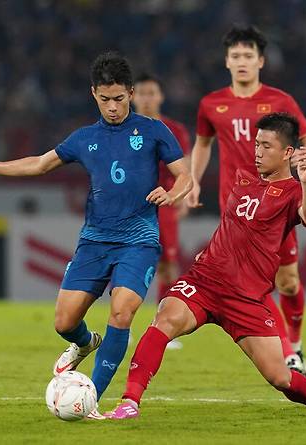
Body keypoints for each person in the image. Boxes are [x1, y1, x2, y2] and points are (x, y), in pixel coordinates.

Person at [0, 52, 192, 418]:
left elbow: (185, 175)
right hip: (94, 240)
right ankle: (85, 342)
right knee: (64, 323)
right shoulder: (84, 138)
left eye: (119, 99)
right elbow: (39, 164)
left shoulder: (154, 131)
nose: (112, 107)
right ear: (94, 93)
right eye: (105, 99)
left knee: (122, 312)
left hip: (139, 239)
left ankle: (93, 399)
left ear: (130, 93)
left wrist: (172, 194)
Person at [105, 113, 306, 419]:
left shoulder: (293, 193)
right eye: (257, 144)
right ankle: (129, 402)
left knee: (280, 377)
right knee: (164, 319)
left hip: (246, 298)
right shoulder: (243, 175)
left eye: (266, 146)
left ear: (287, 153)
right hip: (205, 281)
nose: (257, 152)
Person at [186, 25, 306, 376]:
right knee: (253, 283)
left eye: (249, 55)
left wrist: (298, 165)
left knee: (288, 281)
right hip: (237, 209)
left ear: (261, 61)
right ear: (226, 62)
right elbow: (203, 145)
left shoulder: (281, 102)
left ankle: (294, 345)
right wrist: (193, 181)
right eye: (236, 56)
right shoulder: (211, 105)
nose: (242, 61)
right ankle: (283, 355)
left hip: (277, 205)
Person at [132, 72, 192, 350]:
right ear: (132, 97)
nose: (146, 99)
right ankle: (125, 325)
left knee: (167, 266)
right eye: (141, 93)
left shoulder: (174, 129)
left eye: (151, 93)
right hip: (132, 203)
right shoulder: (124, 128)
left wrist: (183, 196)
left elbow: (186, 167)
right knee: (130, 263)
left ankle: (161, 326)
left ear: (160, 97)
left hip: (165, 203)